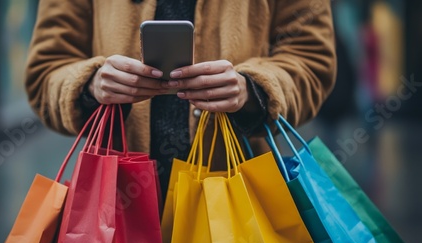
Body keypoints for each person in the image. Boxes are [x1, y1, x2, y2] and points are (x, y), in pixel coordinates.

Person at [25, 0, 336, 198]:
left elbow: (311, 60)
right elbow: (46, 72)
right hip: (115, 202)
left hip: (237, 192)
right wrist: (91, 85)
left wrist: (251, 89)